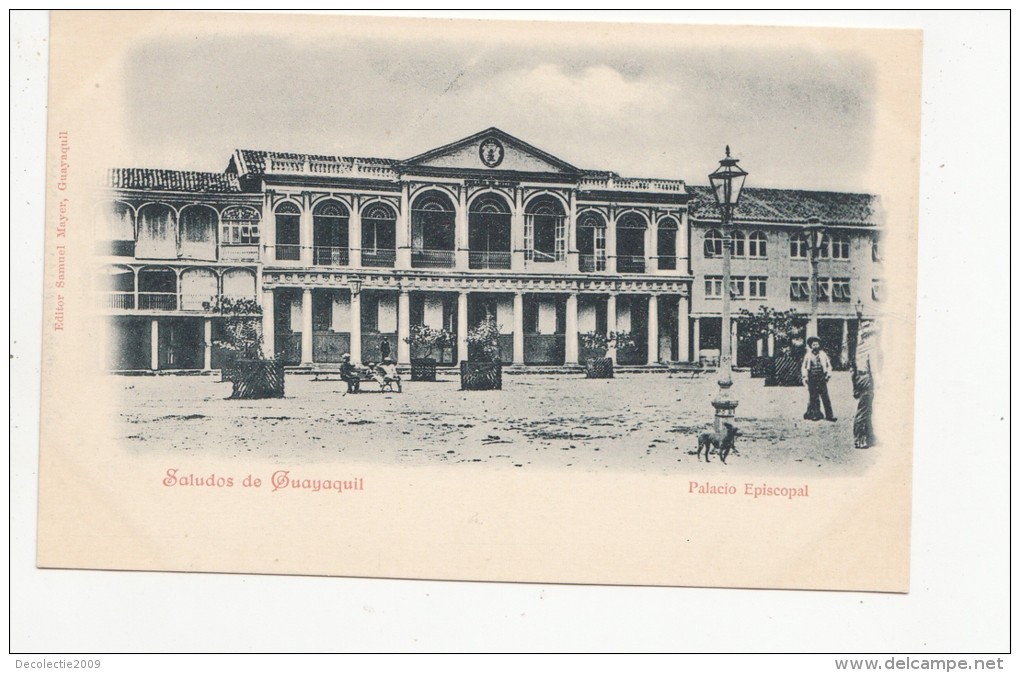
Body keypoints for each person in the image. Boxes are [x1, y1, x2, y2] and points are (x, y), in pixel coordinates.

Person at [852, 323, 877, 448]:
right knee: (864, 409)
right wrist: (878, 384)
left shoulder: (859, 349)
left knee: (866, 408)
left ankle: (870, 437)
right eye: (872, 335)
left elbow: (854, 369)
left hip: (859, 378)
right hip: (867, 378)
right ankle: (859, 439)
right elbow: (873, 369)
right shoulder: (870, 349)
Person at [801, 336, 836, 422]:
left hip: (821, 377)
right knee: (814, 397)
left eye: (817, 344)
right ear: (811, 346)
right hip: (812, 377)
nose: (815, 346)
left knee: (825, 396)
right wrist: (805, 376)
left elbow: (828, 365)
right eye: (813, 344)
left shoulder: (823, 354)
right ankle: (815, 414)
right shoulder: (808, 355)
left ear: (819, 345)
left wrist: (828, 374)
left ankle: (829, 415)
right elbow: (804, 367)